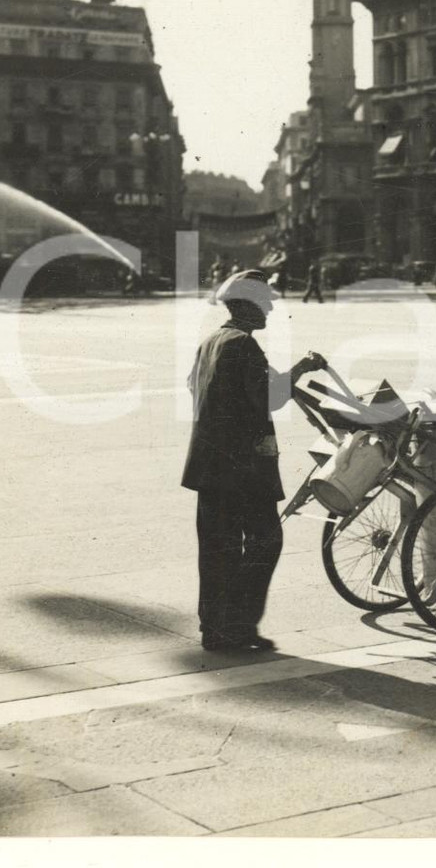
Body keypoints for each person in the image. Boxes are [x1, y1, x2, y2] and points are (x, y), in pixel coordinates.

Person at [182, 269, 325, 652]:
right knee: (266, 541)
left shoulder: (212, 341)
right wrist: (301, 368)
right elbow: (269, 397)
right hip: (242, 467)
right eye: (265, 302)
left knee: (218, 548)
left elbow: (195, 385)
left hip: (210, 464)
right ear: (246, 305)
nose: (271, 309)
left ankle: (216, 628)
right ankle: (237, 624)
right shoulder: (244, 344)